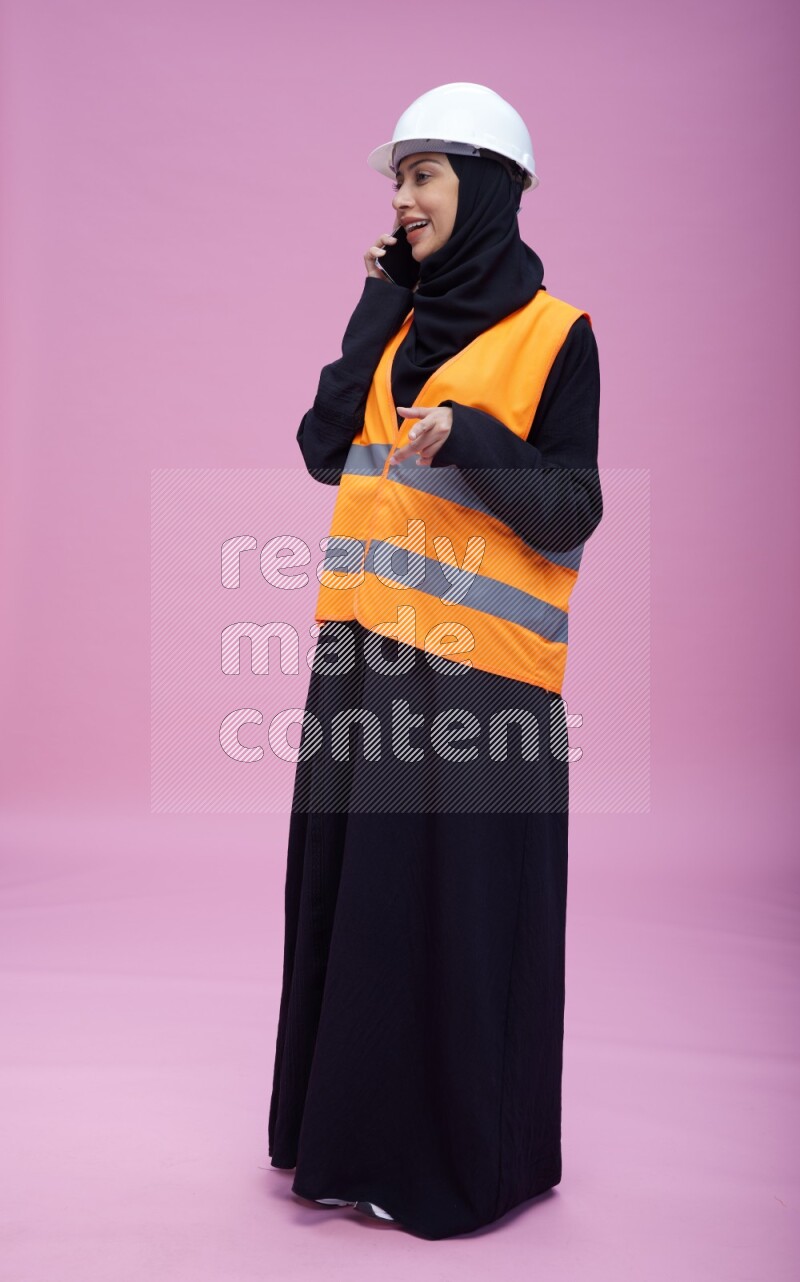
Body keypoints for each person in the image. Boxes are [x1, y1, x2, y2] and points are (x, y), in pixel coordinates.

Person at [267, 82, 603, 1241]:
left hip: (483, 682)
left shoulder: (556, 334)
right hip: (361, 660)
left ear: (489, 189)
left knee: (458, 928)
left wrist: (478, 441)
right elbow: (322, 450)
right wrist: (374, 306)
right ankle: (342, 1150)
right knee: (356, 910)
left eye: (425, 174)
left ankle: (461, 1165)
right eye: (395, 178)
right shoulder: (398, 319)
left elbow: (569, 508)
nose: (403, 198)